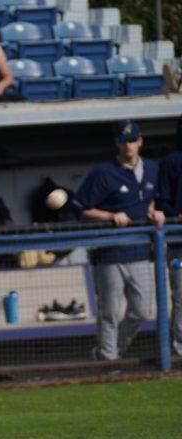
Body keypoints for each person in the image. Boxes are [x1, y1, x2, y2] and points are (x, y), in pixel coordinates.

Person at [73, 120, 164, 361]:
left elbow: (151, 198)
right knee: (110, 312)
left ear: (141, 141)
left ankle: (113, 351)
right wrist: (110, 216)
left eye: (132, 140)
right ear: (117, 143)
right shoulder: (103, 172)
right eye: (124, 141)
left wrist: (153, 211)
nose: (129, 146)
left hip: (141, 250)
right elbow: (81, 208)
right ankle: (108, 361)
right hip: (109, 252)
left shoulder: (153, 169)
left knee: (142, 311)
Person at [154, 115, 182, 356]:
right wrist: (177, 214)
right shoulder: (172, 161)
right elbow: (161, 201)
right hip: (178, 241)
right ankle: (180, 350)